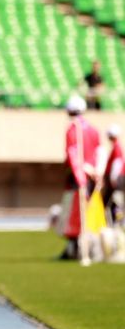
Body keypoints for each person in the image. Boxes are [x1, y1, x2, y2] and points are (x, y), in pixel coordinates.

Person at [60, 96, 101, 260]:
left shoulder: (73, 129)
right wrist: (96, 172)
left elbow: (73, 154)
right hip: (90, 176)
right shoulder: (93, 129)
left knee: (75, 214)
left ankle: (76, 248)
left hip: (78, 178)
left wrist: (80, 176)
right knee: (86, 212)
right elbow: (99, 152)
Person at [102, 124, 123, 224]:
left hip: (116, 179)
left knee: (115, 200)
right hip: (115, 179)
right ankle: (114, 221)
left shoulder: (117, 147)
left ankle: (119, 221)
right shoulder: (115, 146)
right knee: (110, 201)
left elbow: (117, 163)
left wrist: (113, 178)